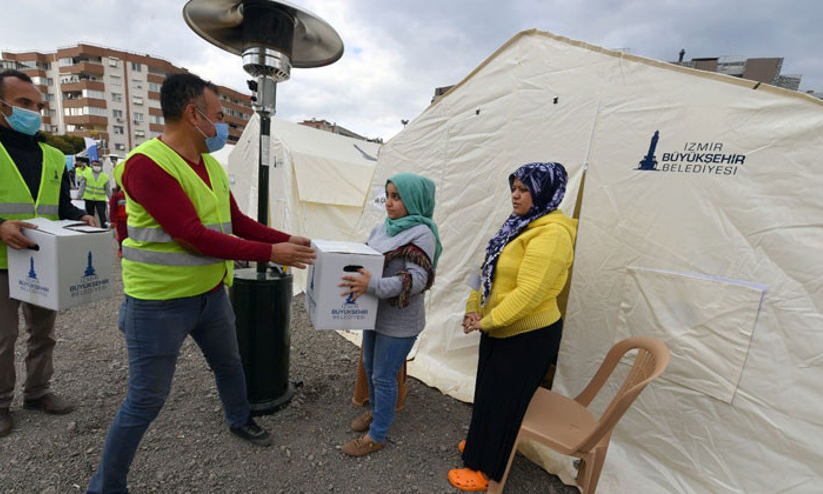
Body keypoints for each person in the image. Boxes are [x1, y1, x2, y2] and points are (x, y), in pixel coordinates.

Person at [86, 73, 315, 494]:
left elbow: (237, 223)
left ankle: (239, 418)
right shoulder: (145, 165)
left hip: (210, 294)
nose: (223, 123)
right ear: (193, 115)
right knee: (146, 399)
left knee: (230, 363)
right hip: (158, 303)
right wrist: (270, 254)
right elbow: (191, 233)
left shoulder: (209, 163)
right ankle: (106, 486)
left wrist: (284, 238)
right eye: (219, 115)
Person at [0, 69, 96, 438]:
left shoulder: (52, 155)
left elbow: (61, 207)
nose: (33, 112)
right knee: (1, 337)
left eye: (37, 105)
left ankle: (37, 393)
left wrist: (80, 217)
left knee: (43, 333)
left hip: (41, 259)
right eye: (23, 104)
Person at [447, 162, 577, 491]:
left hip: (527, 335)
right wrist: (472, 306)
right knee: (488, 393)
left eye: (524, 190)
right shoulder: (516, 225)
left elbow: (530, 295)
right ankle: (480, 447)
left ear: (544, 193)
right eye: (514, 189)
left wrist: (486, 321)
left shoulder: (552, 234)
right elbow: (483, 267)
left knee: (504, 400)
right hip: (498, 327)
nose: (515, 196)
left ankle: (485, 470)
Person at [339, 173, 442, 456]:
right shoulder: (384, 227)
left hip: (400, 321)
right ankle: (376, 411)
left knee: (384, 376)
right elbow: (367, 257)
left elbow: (417, 280)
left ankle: (378, 435)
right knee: (371, 367)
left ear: (414, 200)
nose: (389, 202)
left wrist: (370, 285)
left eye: (397, 197)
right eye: (388, 195)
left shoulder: (423, 233)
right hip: (374, 313)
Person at [78, 159, 110, 227]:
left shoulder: (105, 176)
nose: (96, 167)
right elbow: (82, 186)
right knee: (89, 215)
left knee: (102, 215)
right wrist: (79, 196)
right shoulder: (86, 174)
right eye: (95, 165)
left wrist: (111, 198)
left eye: (98, 165)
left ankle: (104, 228)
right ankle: (91, 228)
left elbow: (108, 189)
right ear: (91, 165)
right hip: (88, 198)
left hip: (100, 199)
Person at [108, 185, 127, 258]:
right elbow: (112, 209)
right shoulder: (116, 196)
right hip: (120, 220)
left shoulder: (132, 196)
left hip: (131, 220)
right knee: (122, 236)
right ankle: (121, 250)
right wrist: (113, 221)